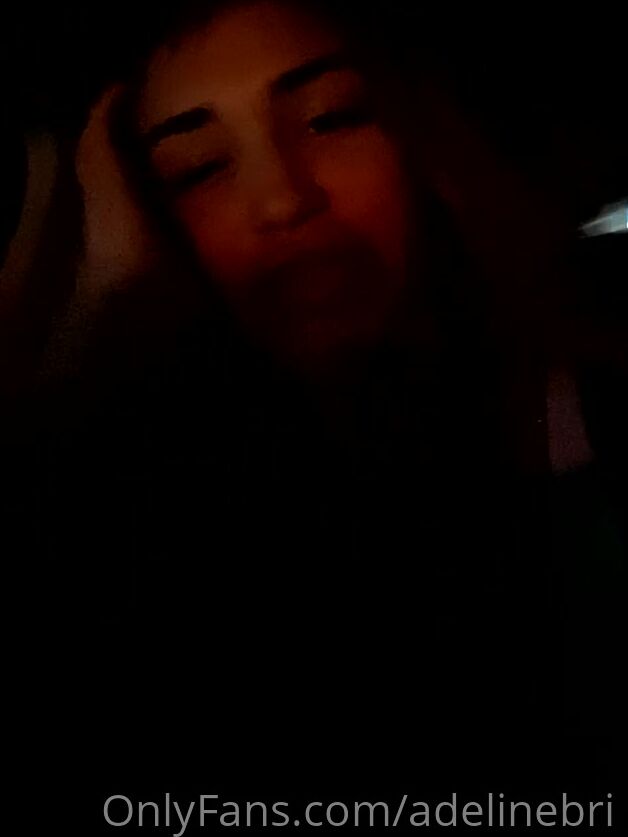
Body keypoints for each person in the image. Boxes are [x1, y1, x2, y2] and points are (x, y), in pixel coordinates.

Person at [6, 0, 625, 803]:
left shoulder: (589, 394)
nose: (281, 199)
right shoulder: (155, 539)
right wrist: (98, 311)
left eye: (329, 119)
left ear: (417, 140)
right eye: (197, 168)